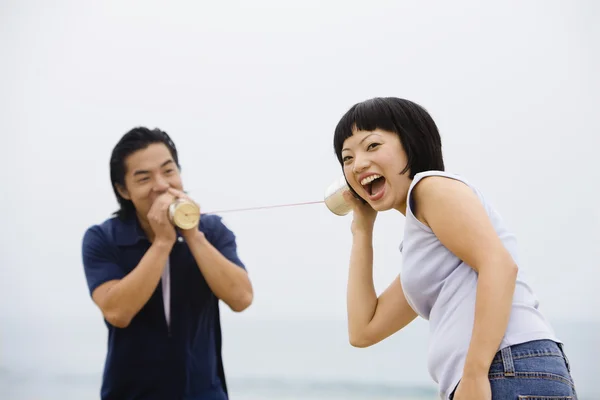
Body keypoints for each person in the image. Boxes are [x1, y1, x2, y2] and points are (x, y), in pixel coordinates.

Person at [332, 97, 578, 400]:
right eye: (347, 158)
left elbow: (499, 266)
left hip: (502, 368)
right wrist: (362, 229)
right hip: (498, 371)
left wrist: (474, 373)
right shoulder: (424, 248)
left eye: (372, 146)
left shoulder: (431, 187)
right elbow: (363, 330)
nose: (358, 164)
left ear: (411, 143)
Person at [81, 127, 253, 400]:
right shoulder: (102, 238)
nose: (161, 185)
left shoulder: (212, 230)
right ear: (123, 190)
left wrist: (193, 235)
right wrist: (162, 243)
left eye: (168, 171)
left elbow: (241, 298)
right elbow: (117, 312)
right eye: (144, 178)